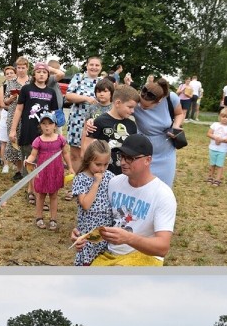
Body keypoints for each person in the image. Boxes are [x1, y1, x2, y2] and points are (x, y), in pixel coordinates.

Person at [70, 134, 177, 266]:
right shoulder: (112, 182)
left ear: (147, 160)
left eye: (130, 158)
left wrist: (128, 238)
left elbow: (162, 248)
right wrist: (80, 234)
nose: (123, 162)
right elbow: (94, 213)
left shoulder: (163, 194)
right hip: (108, 253)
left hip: (142, 256)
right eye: (122, 156)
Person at [10, 61, 61, 204]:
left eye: (44, 72)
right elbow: (19, 109)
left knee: (43, 161)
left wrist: (54, 131)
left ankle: (39, 189)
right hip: (28, 130)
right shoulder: (26, 89)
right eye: (39, 72)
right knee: (30, 161)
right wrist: (13, 129)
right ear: (34, 74)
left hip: (44, 132)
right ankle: (30, 190)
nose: (41, 74)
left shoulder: (51, 92)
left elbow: (53, 113)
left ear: (48, 75)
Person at [24, 112, 73, 231]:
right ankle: (39, 217)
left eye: (50, 123)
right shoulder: (38, 140)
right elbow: (33, 155)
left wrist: (70, 167)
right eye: (44, 123)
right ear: (40, 125)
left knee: (54, 195)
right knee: (40, 195)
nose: (47, 126)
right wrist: (28, 162)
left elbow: (65, 153)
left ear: (55, 125)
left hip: (56, 171)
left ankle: (53, 219)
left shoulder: (60, 139)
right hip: (42, 172)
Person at [131, 78, 185, 188]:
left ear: (159, 101)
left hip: (166, 152)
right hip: (143, 152)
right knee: (142, 187)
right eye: (141, 103)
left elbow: (179, 113)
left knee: (163, 187)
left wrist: (176, 126)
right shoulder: (135, 101)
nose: (141, 107)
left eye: (146, 106)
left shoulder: (171, 98)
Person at [71, 140, 114, 265]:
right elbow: (85, 204)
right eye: (98, 164)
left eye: (105, 164)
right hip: (88, 234)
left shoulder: (110, 177)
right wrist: (96, 183)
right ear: (89, 160)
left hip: (105, 233)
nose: (102, 169)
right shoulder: (81, 179)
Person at [82, 84, 140, 175]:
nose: (133, 111)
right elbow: (87, 147)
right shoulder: (100, 121)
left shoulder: (132, 125)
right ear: (117, 103)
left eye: (134, 108)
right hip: (102, 174)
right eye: (129, 107)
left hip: (122, 175)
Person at [65, 55, 104, 168]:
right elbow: (69, 96)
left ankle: (91, 179)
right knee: (75, 154)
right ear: (87, 66)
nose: (94, 67)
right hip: (77, 120)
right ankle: (78, 179)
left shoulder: (102, 81)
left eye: (97, 65)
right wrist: (86, 98)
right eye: (91, 64)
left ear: (101, 67)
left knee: (93, 153)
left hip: (95, 122)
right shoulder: (79, 77)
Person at [4, 57, 32, 179]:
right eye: (18, 68)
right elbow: (5, 100)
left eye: (23, 67)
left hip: (28, 114)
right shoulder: (10, 82)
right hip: (13, 113)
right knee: (15, 142)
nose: (20, 70)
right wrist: (11, 98)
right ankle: (19, 170)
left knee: (27, 141)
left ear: (27, 68)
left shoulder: (32, 81)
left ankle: (29, 168)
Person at [0, 65, 16, 173]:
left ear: (15, 73)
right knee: (4, 140)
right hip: (6, 114)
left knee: (16, 140)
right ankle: (5, 164)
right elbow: (2, 104)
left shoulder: (19, 85)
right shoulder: (3, 87)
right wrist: (12, 104)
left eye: (11, 73)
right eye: (7, 73)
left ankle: (16, 163)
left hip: (17, 115)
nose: (9, 75)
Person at [206, 108, 227, 186]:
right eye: (223, 116)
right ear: (220, 116)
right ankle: (210, 177)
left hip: (222, 149)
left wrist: (222, 140)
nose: (224, 118)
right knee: (212, 163)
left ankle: (217, 179)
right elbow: (208, 134)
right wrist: (215, 138)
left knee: (219, 164)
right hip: (213, 148)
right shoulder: (215, 124)